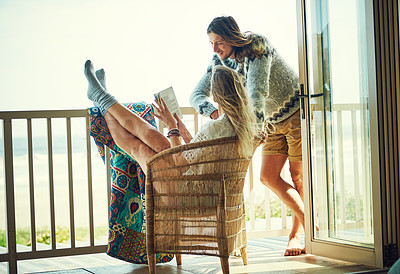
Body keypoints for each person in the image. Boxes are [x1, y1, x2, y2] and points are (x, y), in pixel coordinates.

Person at [190, 16, 304, 256]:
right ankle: (311, 223)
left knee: (298, 177)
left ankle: (298, 234)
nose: (214, 48)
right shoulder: (218, 60)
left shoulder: (257, 46)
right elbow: (196, 94)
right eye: (211, 43)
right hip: (271, 121)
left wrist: (254, 132)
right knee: (268, 177)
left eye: (219, 42)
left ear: (232, 37)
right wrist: (211, 111)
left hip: (295, 114)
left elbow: (256, 91)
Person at [84, 60, 259, 175]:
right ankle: (101, 95)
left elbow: (180, 162)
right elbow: (202, 153)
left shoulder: (215, 126)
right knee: (152, 137)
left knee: (138, 147)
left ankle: (101, 97)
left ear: (215, 97)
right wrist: (183, 133)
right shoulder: (245, 127)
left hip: (184, 193)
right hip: (209, 189)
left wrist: (171, 126)